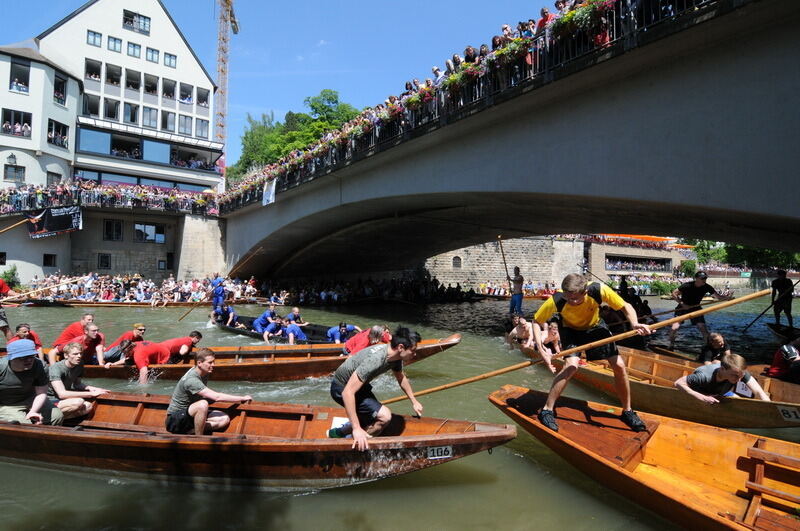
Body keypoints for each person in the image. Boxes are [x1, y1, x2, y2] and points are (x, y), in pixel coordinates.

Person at [532, 273, 652, 432]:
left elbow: (625, 306)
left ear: (585, 291)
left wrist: (635, 323)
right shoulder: (557, 299)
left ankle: (627, 411)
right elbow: (536, 321)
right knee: (571, 366)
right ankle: (547, 410)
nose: (572, 302)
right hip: (570, 330)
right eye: (569, 299)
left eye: (576, 298)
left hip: (595, 327)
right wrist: (542, 350)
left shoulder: (598, 290)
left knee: (619, 365)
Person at [328, 328, 423, 450]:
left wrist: (414, 401)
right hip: (341, 388)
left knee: (371, 416)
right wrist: (357, 429)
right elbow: (347, 392)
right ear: (400, 347)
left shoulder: (396, 358)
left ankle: (339, 432)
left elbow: (401, 378)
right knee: (384, 417)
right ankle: (353, 447)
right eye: (413, 351)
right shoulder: (375, 360)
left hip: (359, 387)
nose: (415, 354)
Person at [165, 348, 252, 435]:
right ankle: (198, 439)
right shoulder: (191, 380)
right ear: (199, 363)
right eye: (210, 362)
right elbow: (217, 397)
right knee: (203, 404)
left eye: (214, 362)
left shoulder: (204, 372)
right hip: (175, 420)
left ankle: (191, 431)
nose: (213, 365)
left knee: (224, 419)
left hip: (191, 414)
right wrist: (242, 398)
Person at [0, 339, 63, 425]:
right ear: (11, 358)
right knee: (24, 424)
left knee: (57, 415)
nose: (29, 360)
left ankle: (46, 436)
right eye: (23, 358)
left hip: (31, 400)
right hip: (7, 404)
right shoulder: (1, 367)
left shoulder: (40, 365)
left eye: (31, 356)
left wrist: (33, 411)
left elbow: (41, 393)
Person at [668, 271, 730, 350]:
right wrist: (682, 304)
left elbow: (718, 297)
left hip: (696, 308)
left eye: (705, 278)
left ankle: (707, 348)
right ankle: (671, 345)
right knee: (674, 328)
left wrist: (727, 298)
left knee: (703, 328)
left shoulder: (707, 287)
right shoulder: (687, 285)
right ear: (696, 278)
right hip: (682, 307)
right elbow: (674, 293)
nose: (705, 280)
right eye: (702, 278)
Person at [674, 353, 770, 403]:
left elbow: (759, 392)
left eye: (741, 376)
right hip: (700, 393)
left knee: (739, 400)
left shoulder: (739, 373)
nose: (739, 380)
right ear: (722, 369)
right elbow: (678, 383)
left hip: (718, 393)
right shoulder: (704, 376)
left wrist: (771, 409)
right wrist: (701, 397)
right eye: (735, 376)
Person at [48, 342, 109, 419]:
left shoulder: (79, 364)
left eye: (80, 353)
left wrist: (92, 388)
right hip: (50, 400)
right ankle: (50, 417)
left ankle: (60, 418)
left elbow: (77, 384)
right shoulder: (56, 368)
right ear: (66, 355)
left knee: (88, 406)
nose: (79, 356)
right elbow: (62, 394)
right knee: (78, 402)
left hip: (64, 399)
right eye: (75, 354)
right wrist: (91, 394)